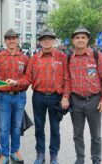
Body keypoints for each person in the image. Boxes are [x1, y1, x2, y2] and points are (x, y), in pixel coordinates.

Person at [6, 28, 70, 164]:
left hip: (55, 97)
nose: (47, 40)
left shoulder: (62, 57)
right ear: (40, 42)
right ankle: (40, 154)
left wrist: (65, 97)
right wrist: (17, 82)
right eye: (43, 38)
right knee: (39, 127)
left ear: (54, 40)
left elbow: (67, 79)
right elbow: (28, 78)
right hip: (38, 97)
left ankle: (54, 155)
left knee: (54, 127)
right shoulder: (34, 59)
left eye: (49, 38)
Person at [69, 26, 102, 164]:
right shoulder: (69, 58)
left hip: (94, 100)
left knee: (96, 135)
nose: (80, 40)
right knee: (77, 134)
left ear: (87, 40)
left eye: (83, 37)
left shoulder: (97, 55)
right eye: (77, 38)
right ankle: (80, 159)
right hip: (76, 101)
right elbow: (67, 80)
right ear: (73, 41)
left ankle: (96, 159)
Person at [0, 29, 29, 164]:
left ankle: (15, 150)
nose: (11, 41)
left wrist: (18, 84)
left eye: (14, 38)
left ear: (17, 40)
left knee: (17, 126)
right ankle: (4, 153)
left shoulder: (24, 58)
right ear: (5, 41)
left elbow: (28, 78)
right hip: (3, 97)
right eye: (9, 38)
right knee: (4, 127)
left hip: (19, 97)